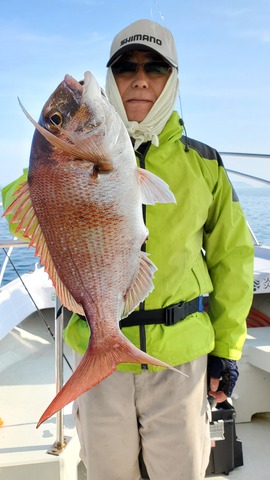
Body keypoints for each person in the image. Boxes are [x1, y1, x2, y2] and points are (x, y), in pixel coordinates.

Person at [2, 19, 254, 480]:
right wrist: (55, 162)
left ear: (173, 79)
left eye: (155, 68)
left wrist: (228, 350)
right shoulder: (65, 159)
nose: (140, 79)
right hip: (97, 354)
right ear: (111, 79)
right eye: (126, 68)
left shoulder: (205, 163)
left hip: (179, 355)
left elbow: (233, 259)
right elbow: (23, 201)